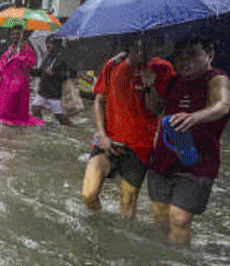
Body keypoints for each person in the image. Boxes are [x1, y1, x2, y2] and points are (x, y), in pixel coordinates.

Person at [81, 33, 175, 219]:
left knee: (127, 204)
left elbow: (157, 109)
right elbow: (99, 101)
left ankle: (120, 240)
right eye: (138, 46)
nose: (143, 51)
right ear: (130, 44)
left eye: (149, 46)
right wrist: (102, 135)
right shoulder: (113, 65)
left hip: (140, 146)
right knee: (88, 195)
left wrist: (150, 86)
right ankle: (99, 224)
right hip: (108, 141)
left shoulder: (163, 69)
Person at [147, 37, 230, 245]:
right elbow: (155, 110)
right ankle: (165, 259)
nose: (185, 61)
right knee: (161, 218)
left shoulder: (217, 78)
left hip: (197, 163)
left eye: (192, 54)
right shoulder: (175, 80)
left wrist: (195, 116)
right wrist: (149, 87)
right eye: (180, 57)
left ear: (209, 54)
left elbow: (222, 105)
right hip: (164, 159)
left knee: (180, 218)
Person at [0, 26, 45, 126]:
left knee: (14, 102)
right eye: (13, 34)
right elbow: (3, 61)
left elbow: (31, 63)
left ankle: (14, 124)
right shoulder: (11, 47)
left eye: (17, 34)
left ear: (22, 35)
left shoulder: (26, 47)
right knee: (3, 103)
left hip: (19, 80)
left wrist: (20, 55)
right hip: (6, 81)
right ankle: (6, 122)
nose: (15, 36)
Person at [30, 35, 75, 125]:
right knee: (35, 109)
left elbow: (71, 75)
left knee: (62, 119)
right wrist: (30, 70)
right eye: (47, 43)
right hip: (43, 92)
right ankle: (41, 127)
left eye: (51, 43)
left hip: (55, 95)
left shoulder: (64, 58)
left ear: (57, 44)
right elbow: (41, 72)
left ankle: (73, 129)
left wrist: (54, 74)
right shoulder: (48, 57)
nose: (48, 45)